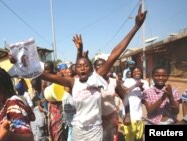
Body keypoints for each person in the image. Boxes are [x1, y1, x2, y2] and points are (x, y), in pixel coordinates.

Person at [39, 5, 147, 140]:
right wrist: (23, 65)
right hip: (78, 131)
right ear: (76, 69)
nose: (82, 68)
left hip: (96, 131)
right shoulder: (72, 82)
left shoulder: (96, 78)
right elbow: (45, 75)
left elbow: (114, 55)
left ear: (91, 69)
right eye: (79, 66)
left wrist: (136, 27)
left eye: (86, 66)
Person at [0, 66, 35, 141]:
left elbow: (29, 138)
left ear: (0, 87)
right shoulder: (4, 105)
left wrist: (7, 135)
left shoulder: (13, 104)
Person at [121, 67, 149, 141]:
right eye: (134, 72)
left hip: (138, 109)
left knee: (139, 132)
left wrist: (141, 87)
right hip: (128, 109)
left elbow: (147, 95)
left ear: (141, 72)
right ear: (132, 73)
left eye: (138, 71)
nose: (137, 73)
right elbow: (125, 92)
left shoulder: (145, 82)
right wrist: (135, 85)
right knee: (129, 132)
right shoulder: (128, 81)